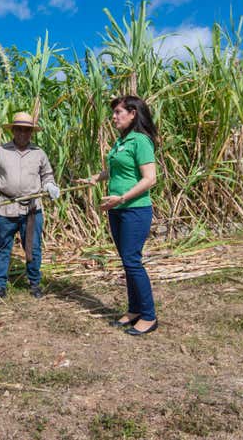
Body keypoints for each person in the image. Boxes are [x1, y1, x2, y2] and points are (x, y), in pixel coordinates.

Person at [78, 95, 158, 336]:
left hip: (135, 209)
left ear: (133, 114)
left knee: (133, 261)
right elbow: (117, 169)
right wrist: (96, 178)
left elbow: (150, 178)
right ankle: (134, 310)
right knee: (127, 261)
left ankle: (149, 316)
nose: (113, 117)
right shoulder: (121, 141)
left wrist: (122, 198)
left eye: (118, 113)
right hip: (118, 210)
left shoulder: (141, 141)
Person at [0, 112, 60, 303]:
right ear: (14, 130)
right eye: (19, 129)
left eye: (27, 130)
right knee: (3, 247)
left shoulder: (38, 153)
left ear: (31, 133)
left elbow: (47, 175)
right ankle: (0, 285)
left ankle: (34, 282)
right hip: (6, 207)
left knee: (33, 248)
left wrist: (49, 185)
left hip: (32, 208)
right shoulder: (0, 151)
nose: (23, 133)